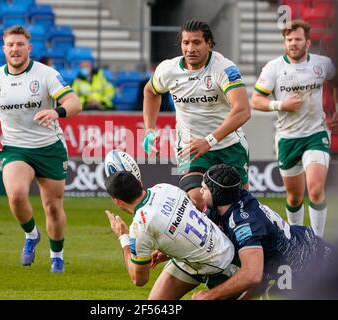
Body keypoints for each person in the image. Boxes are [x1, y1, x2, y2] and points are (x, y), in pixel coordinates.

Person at [0, 26, 82, 272]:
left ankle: (56, 255)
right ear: (4, 49)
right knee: (16, 195)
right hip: (16, 147)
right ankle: (31, 235)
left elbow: (75, 102)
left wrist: (56, 111)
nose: (15, 49)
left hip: (49, 147)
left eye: (20, 44)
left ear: (29, 48)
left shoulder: (46, 74)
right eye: (11, 45)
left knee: (52, 206)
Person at [143, 19, 251, 212]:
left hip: (229, 146)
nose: (190, 48)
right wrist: (149, 130)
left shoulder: (224, 69)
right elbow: (151, 92)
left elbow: (242, 110)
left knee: (236, 207)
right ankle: (207, 241)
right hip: (189, 148)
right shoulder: (168, 70)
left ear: (209, 44)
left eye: (197, 42)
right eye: (186, 43)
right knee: (196, 200)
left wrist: (209, 141)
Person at [192, 164, 333, 300]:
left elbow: (252, 274)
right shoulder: (227, 204)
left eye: (205, 188)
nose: (200, 191)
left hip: (318, 266)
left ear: (218, 193)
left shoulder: (245, 223)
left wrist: (208, 296)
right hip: (284, 268)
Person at [251, 20, 338, 238]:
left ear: (307, 42)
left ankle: (317, 243)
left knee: (316, 189)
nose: (293, 43)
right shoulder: (274, 68)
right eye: (289, 40)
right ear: (284, 43)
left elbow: (335, 82)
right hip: (287, 138)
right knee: (294, 197)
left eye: (297, 39)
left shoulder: (322, 64)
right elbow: (256, 100)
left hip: (316, 134)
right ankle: (297, 239)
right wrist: (280, 105)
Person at [105, 171, 243, 300]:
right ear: (140, 183)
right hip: (211, 249)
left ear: (117, 201)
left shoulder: (140, 227)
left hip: (223, 265)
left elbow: (139, 279)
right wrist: (170, 249)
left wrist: (123, 236)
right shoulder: (163, 188)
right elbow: (192, 208)